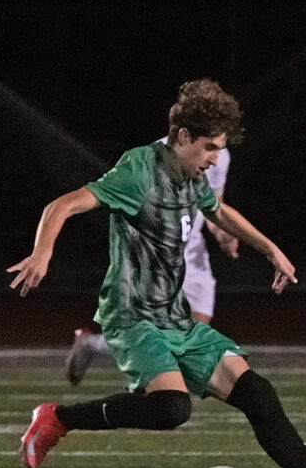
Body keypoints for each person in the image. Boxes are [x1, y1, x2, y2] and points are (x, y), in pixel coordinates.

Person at [8, 79, 306, 468]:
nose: (214, 159)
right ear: (183, 136)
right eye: (210, 148)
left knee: (259, 396)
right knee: (172, 408)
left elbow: (218, 211)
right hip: (133, 316)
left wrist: (269, 248)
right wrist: (43, 252)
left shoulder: (191, 176)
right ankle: (58, 418)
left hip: (176, 317)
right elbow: (61, 206)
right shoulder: (138, 170)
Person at [65, 140, 238, 385]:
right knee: (158, 337)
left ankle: (94, 345)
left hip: (193, 254)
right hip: (158, 257)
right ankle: (158, 397)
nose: (214, 156)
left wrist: (221, 232)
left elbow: (213, 204)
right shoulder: (153, 158)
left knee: (191, 337)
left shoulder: (220, 155)